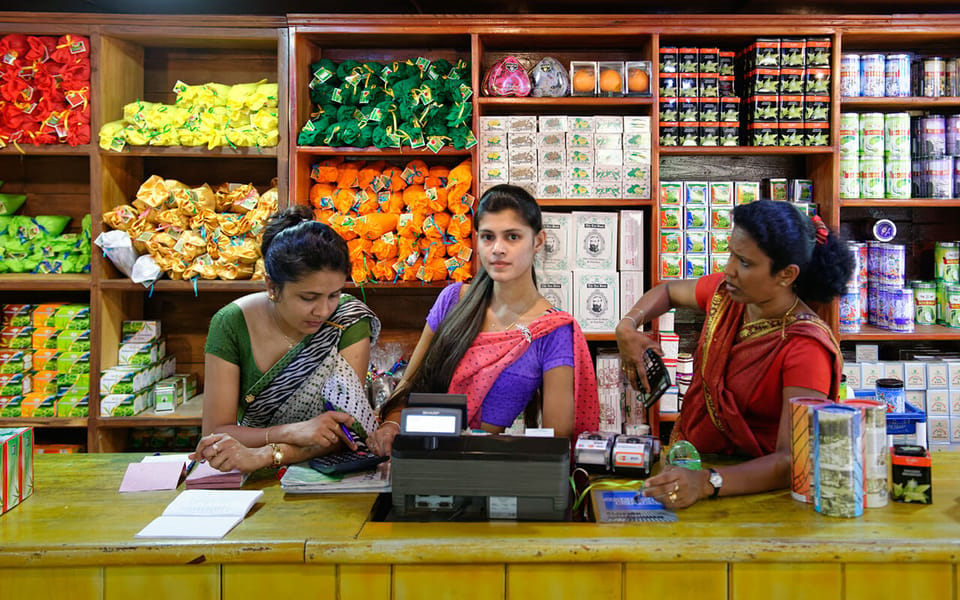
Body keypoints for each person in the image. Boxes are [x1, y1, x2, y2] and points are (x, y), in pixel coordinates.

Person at [616, 200, 853, 508]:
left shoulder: (806, 348)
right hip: (690, 475)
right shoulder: (726, 297)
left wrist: (707, 482)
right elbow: (668, 291)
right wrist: (628, 325)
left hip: (759, 498)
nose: (728, 268)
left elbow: (791, 458)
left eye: (744, 262)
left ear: (786, 274)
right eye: (731, 253)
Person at [367, 184, 599, 456]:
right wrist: (391, 426)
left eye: (513, 237)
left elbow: (555, 441)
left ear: (538, 241)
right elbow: (410, 385)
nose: (498, 249)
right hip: (421, 459)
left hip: (487, 467)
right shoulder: (454, 300)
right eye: (488, 237)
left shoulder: (553, 330)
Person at [190, 206, 381, 472]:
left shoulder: (347, 319)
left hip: (326, 471)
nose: (324, 310)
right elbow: (215, 434)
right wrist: (292, 431)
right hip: (244, 471)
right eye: (308, 298)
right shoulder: (231, 323)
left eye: (334, 295)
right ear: (272, 287)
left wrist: (269, 454)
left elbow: (345, 431)